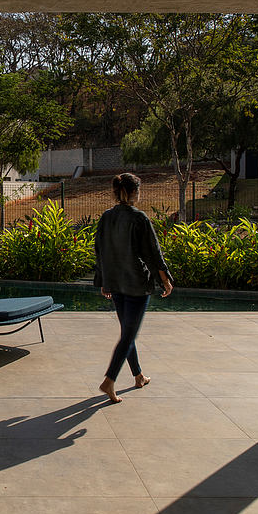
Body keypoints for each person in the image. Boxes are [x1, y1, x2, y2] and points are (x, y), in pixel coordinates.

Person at [93, 172, 174, 403]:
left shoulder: (106, 217)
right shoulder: (139, 218)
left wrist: (104, 280)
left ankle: (138, 376)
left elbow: (100, 251)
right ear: (133, 192)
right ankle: (109, 380)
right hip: (136, 284)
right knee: (128, 335)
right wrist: (165, 279)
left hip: (116, 283)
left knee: (127, 333)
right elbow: (153, 253)